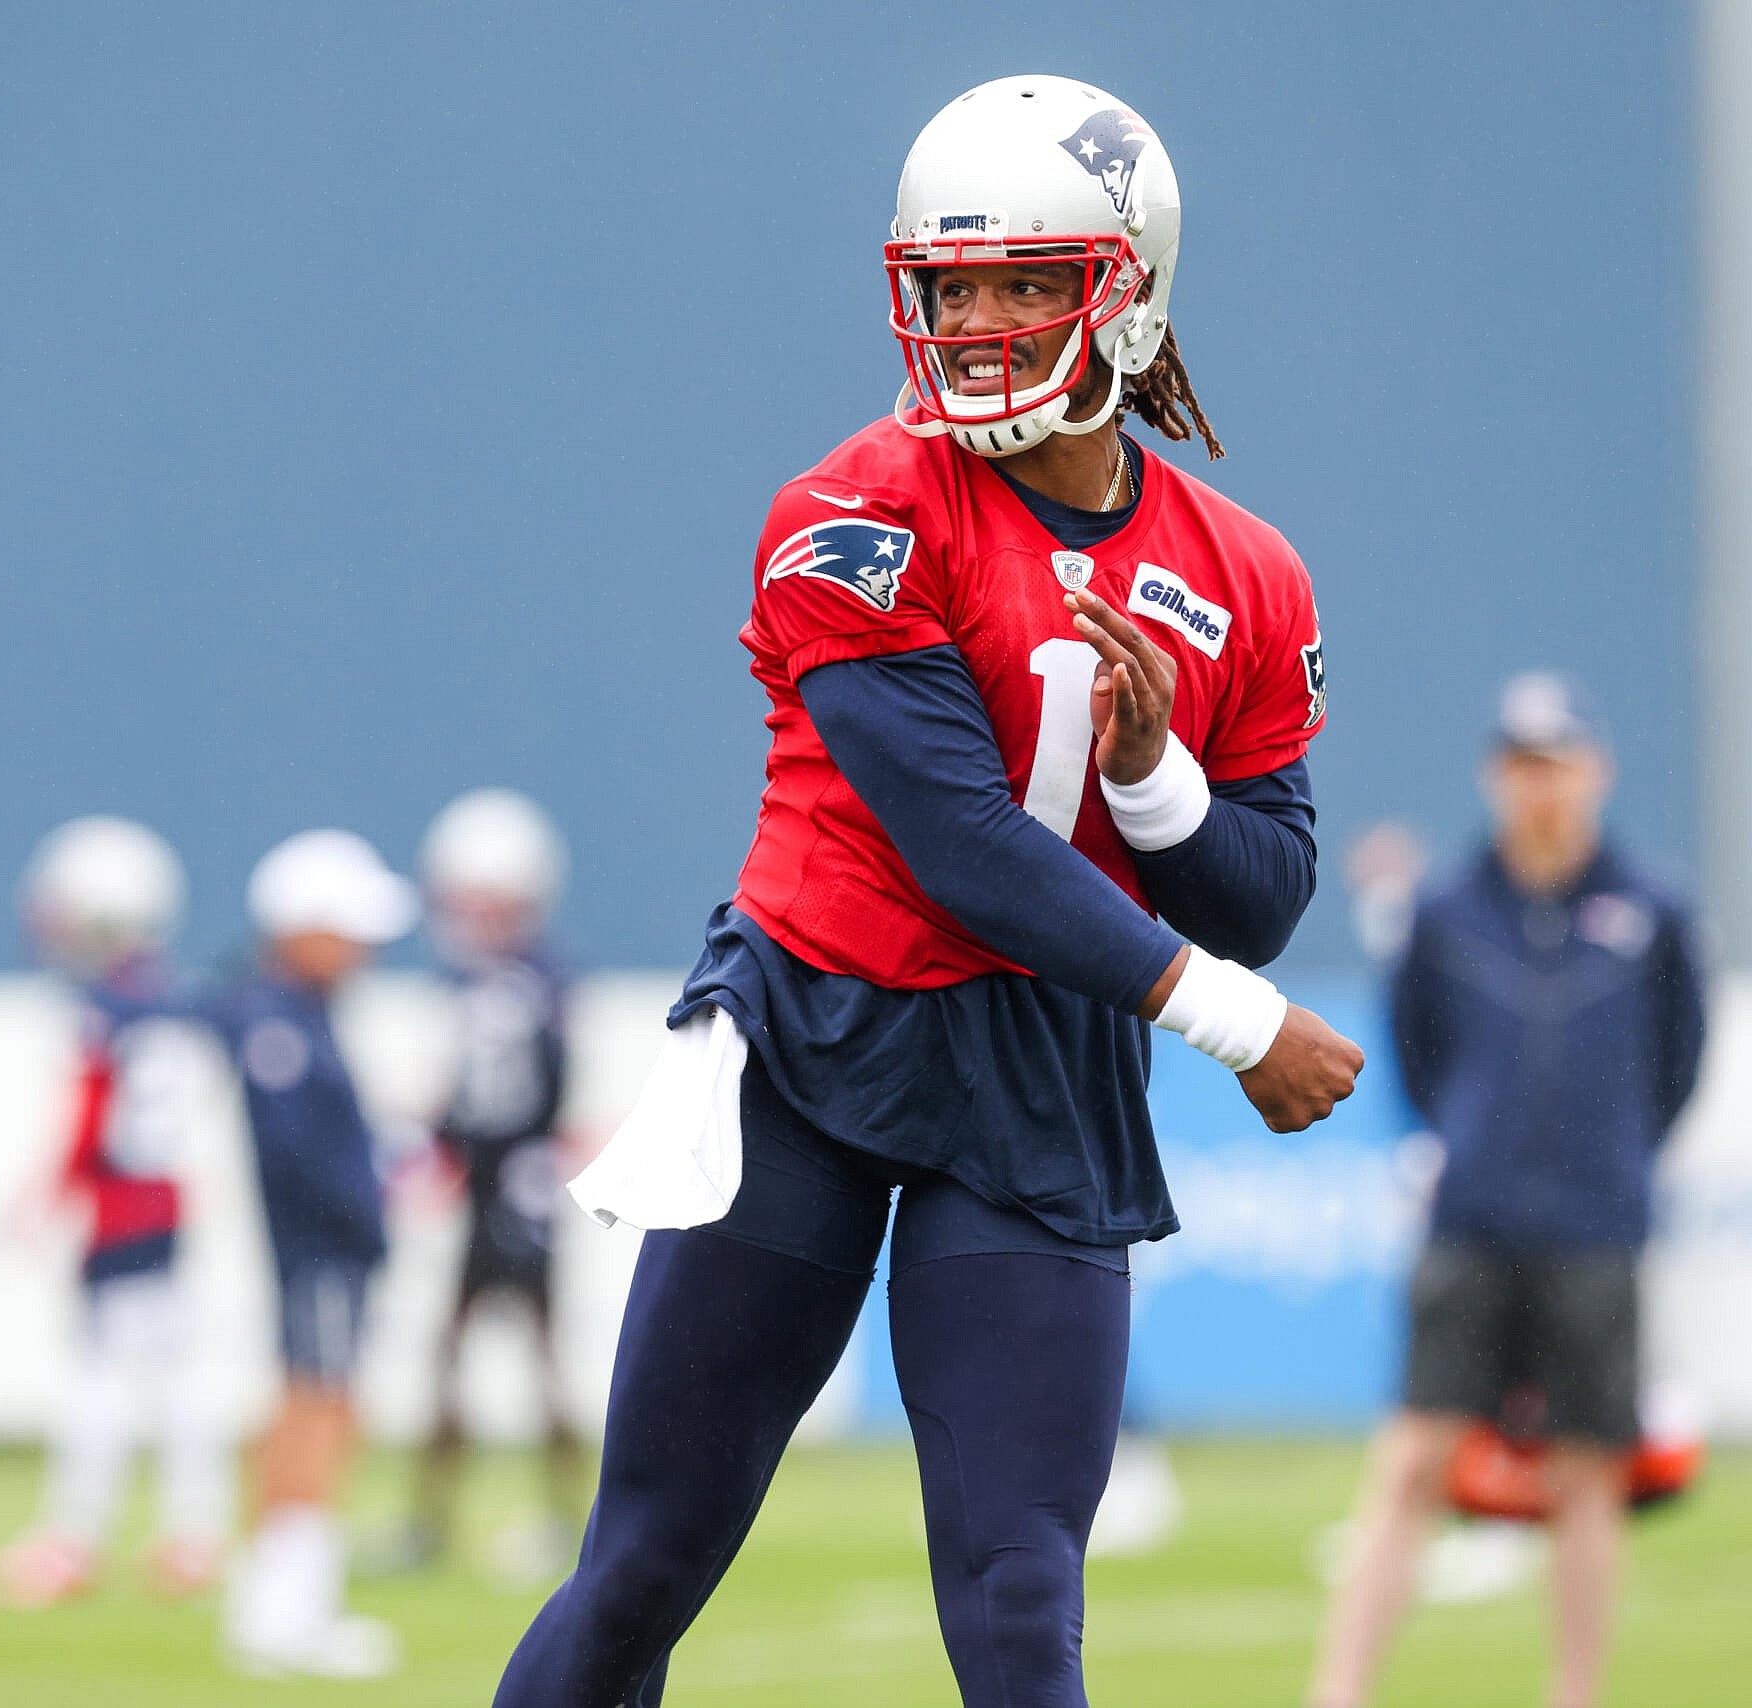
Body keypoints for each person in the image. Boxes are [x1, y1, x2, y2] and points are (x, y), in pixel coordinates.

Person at [495, 75, 1362, 1708]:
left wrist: (1153, 777)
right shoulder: (853, 511)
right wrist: (1241, 1028)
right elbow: (960, 845)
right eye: (953, 285)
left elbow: (1263, 891)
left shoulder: (1242, 569)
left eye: (1028, 280)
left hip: (1042, 1066)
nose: (977, 321)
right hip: (820, 1033)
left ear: (1128, 289)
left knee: (1022, 1589)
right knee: (648, 1562)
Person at [1306, 672, 1705, 1708]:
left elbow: (1678, 1061)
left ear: (1595, 771)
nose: (1541, 786)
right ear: (1495, 775)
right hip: (1471, 1221)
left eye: (1558, 762)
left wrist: (1612, 1158)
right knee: (1413, 1456)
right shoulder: (1446, 908)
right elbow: (1416, 1053)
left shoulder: (1650, 910)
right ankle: (1337, 1690)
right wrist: (1473, 1144)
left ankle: (1573, 1693)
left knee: (1587, 1470)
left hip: (1594, 1226)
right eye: (1523, 764)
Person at [0, 817, 233, 1606]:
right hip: (165, 1208)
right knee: (174, 1374)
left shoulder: (103, 1009)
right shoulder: (175, 1000)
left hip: (122, 1216)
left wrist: (43, 1197)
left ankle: (76, 1538)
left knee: (102, 1378)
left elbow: (90, 1116)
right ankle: (194, 1533)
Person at [214, 829, 418, 1678]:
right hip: (317, 1253)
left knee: (322, 1404)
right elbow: (298, 1155)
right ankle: (285, 1610)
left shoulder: (296, 1016)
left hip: (325, 1253)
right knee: (315, 1407)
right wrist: (363, 1212)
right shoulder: (278, 1022)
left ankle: (283, 1598)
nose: (365, 949)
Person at [386, 788, 582, 1576]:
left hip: (505, 1180)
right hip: (514, 1180)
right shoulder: (540, 977)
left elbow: (496, 1092)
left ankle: (550, 1519)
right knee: (498, 1356)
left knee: (523, 1357)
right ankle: (459, 1520)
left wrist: (441, 1136)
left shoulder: (495, 982)